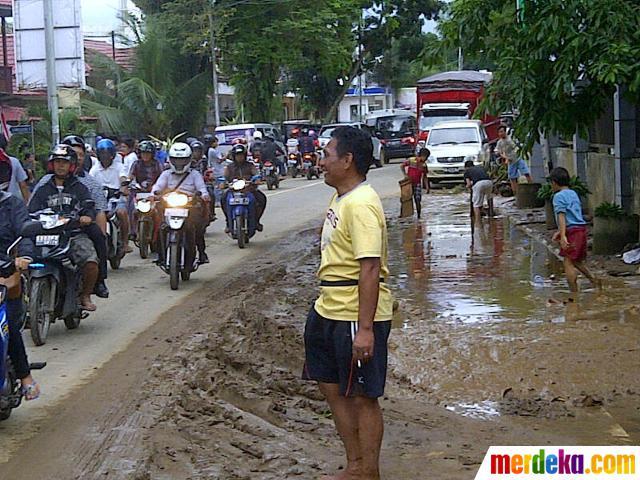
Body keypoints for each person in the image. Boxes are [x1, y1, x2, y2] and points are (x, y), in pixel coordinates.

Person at [303, 126, 393, 480]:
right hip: (327, 306)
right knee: (330, 386)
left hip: (354, 313)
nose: (320, 161)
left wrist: (366, 329)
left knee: (361, 395)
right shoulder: (341, 198)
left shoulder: (362, 204)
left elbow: (370, 267)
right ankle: (354, 463)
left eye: (326, 155)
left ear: (348, 160)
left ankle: (368, 470)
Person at [28, 145, 100, 311]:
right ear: (51, 164)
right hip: (45, 236)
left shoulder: (80, 188)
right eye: (57, 162)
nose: (60, 166)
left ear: (72, 165)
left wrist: (87, 216)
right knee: (23, 261)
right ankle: (27, 297)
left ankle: (85, 295)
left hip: (72, 235)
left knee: (90, 261)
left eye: (64, 162)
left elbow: (89, 206)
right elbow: (31, 210)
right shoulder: (43, 189)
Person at [0, 157, 40, 400]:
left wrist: (24, 256)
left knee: (7, 325)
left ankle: (25, 377)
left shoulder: (11, 205)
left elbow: (25, 230)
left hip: (5, 271)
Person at [151, 142, 210, 264]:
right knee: (161, 228)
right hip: (169, 206)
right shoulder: (166, 174)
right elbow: (158, 187)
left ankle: (202, 252)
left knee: (197, 227)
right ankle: (161, 255)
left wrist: (204, 195)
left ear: (188, 160)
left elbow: (202, 188)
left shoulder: (194, 174)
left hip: (189, 206)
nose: (179, 163)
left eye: (182, 160)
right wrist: (153, 194)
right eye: (176, 160)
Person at [550, 167, 599, 300]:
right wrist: (560, 232)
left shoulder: (558, 197)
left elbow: (562, 215)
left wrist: (563, 235)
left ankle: (574, 294)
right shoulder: (573, 193)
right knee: (576, 260)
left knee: (568, 262)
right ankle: (594, 280)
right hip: (581, 230)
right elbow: (574, 214)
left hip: (572, 232)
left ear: (554, 182)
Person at [91, 139, 133, 255]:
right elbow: (90, 182)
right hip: (101, 200)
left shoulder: (119, 166)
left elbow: (123, 177)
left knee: (122, 213)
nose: (105, 157)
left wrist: (123, 187)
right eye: (102, 154)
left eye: (107, 154)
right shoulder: (95, 169)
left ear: (112, 155)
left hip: (117, 198)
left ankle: (125, 243)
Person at [222, 144, 267, 232]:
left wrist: (257, 179)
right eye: (238, 155)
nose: (240, 157)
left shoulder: (250, 165)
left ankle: (256, 221)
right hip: (233, 191)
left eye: (241, 155)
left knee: (262, 198)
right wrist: (223, 183)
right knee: (223, 199)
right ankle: (228, 222)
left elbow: (256, 173)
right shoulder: (229, 167)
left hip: (248, 190)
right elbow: (225, 177)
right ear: (234, 156)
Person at [495, 125, 532, 195]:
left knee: (526, 173)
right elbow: (498, 151)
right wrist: (503, 157)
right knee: (512, 178)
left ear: (505, 132)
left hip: (518, 158)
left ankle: (531, 188)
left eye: (502, 131)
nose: (500, 133)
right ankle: (516, 193)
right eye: (499, 132)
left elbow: (516, 148)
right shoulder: (499, 142)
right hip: (510, 161)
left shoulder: (511, 139)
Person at [0, 134, 30, 202]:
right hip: (11, 203)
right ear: (6, 146)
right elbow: (23, 185)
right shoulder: (14, 161)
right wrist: (27, 204)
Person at [401, 148, 430, 218]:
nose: (425, 159)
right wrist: (405, 175)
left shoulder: (424, 165)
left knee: (417, 199)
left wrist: (427, 187)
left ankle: (419, 215)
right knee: (405, 199)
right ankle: (403, 214)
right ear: (423, 155)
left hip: (417, 184)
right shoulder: (411, 160)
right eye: (425, 157)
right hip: (408, 183)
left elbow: (425, 177)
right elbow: (402, 166)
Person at [463, 160, 493, 225]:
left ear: (466, 167)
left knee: (476, 205)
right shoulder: (480, 168)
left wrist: (467, 187)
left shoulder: (467, 171)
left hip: (478, 184)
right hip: (489, 182)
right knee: (489, 198)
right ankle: (491, 215)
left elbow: (468, 184)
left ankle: (478, 221)